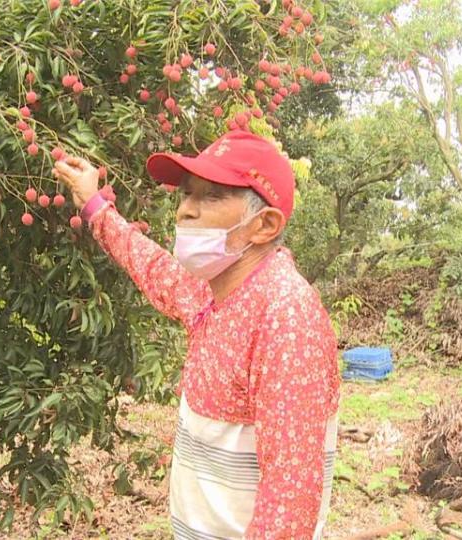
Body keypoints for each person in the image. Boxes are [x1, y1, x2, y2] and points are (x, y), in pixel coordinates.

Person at [52, 130, 341, 540]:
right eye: (187, 194)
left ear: (265, 224)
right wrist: (95, 204)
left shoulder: (285, 314)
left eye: (211, 196)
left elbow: (289, 495)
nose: (185, 211)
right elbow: (153, 267)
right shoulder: (214, 290)